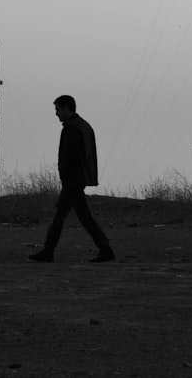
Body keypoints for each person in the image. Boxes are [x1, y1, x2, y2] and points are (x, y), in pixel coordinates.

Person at [29, 95, 116, 263]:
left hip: (73, 181)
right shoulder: (83, 126)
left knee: (81, 216)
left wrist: (64, 173)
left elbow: (69, 156)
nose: (56, 114)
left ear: (67, 108)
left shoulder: (72, 128)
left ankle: (105, 249)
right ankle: (48, 251)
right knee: (63, 215)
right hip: (77, 179)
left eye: (58, 110)